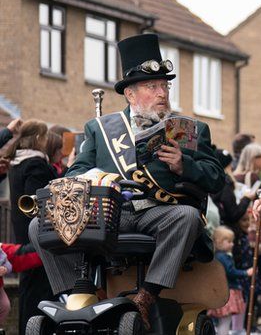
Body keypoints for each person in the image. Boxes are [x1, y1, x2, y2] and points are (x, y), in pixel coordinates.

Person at [30, 33, 225, 328]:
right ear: (130, 94)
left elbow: (216, 178)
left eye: (164, 85)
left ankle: (145, 297)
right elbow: (75, 173)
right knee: (39, 225)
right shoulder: (99, 128)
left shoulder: (189, 129)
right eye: (152, 86)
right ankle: (78, 296)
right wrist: (94, 177)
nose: (162, 93)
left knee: (186, 217)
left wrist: (184, 166)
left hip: (160, 213)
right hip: (110, 214)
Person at [9, 119, 57, 334]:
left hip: (22, 232)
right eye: (45, 136)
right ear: (39, 138)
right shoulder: (36, 163)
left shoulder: (16, 162)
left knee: (28, 287)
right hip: (38, 233)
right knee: (39, 290)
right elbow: (38, 198)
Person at [209, 225, 253, 335]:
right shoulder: (224, 257)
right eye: (228, 241)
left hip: (219, 291)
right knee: (225, 321)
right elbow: (231, 272)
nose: (232, 244)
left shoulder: (216, 256)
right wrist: (246, 273)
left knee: (220, 321)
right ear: (219, 242)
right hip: (228, 291)